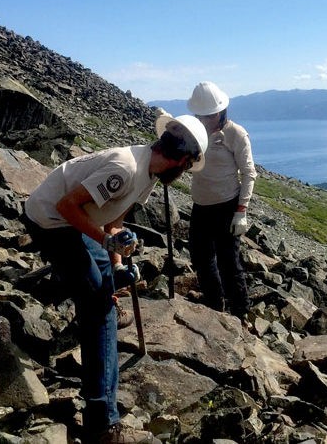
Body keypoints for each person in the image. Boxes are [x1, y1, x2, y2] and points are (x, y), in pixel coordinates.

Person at [23, 114, 208, 444]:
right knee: (99, 311)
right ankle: (102, 423)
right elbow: (68, 206)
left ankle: (95, 293)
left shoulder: (149, 171)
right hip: (51, 222)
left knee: (107, 284)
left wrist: (118, 262)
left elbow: (113, 222)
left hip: (76, 223)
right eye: (189, 165)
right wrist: (107, 244)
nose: (184, 173)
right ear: (182, 160)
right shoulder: (125, 168)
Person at [186, 81, 257, 319]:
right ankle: (214, 305)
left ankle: (240, 313)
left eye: (209, 115)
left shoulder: (235, 134)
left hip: (227, 205)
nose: (205, 120)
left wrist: (241, 210)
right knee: (200, 257)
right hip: (201, 205)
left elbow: (249, 173)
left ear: (221, 111)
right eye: (200, 115)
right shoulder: (195, 131)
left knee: (229, 262)